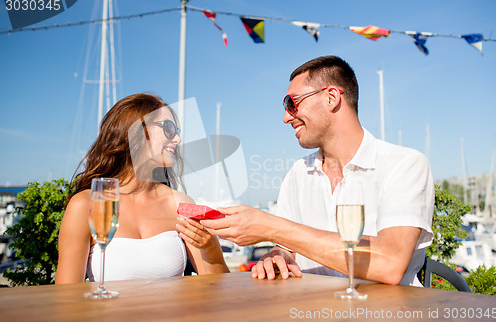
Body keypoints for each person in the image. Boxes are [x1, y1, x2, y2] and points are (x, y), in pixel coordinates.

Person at [202, 56, 434, 286]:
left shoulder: (405, 164)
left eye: (291, 103)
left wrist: (270, 227)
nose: (285, 117)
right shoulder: (298, 173)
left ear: (331, 97)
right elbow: (287, 247)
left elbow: (390, 265)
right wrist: (279, 255)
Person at [56, 93, 229, 284]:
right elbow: (67, 297)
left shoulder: (181, 204)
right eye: (169, 129)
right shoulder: (86, 204)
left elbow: (216, 288)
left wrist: (212, 249)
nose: (178, 139)